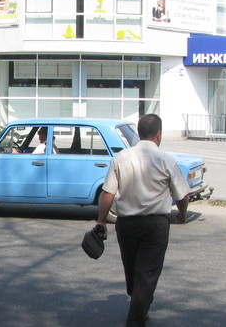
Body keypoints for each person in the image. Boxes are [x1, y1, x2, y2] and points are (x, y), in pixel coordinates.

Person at [94, 114, 191, 327]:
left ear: (139, 133)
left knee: (132, 267)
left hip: (126, 224)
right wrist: (182, 215)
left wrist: (101, 221)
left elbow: (108, 193)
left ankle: (138, 307)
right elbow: (182, 195)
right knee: (146, 273)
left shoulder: (121, 157)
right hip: (155, 225)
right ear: (159, 134)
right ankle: (136, 317)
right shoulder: (167, 159)